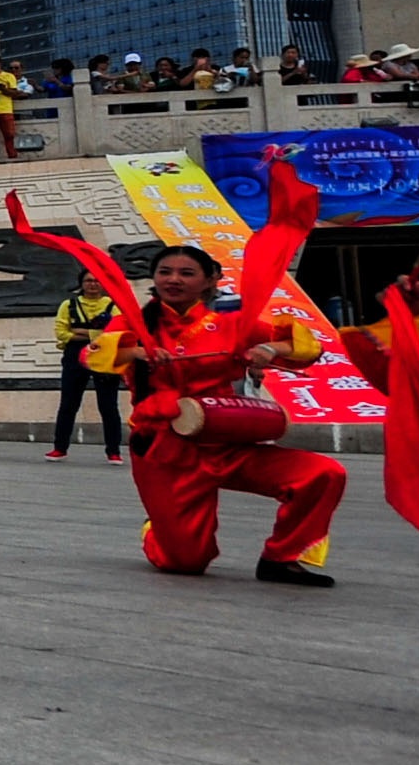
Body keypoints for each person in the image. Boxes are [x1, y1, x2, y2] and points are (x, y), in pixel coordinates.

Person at [109, 244, 345, 584]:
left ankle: (281, 558)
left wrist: (269, 349)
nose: (174, 279)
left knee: (322, 474)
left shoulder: (232, 325)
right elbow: (92, 355)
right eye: (165, 272)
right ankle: (159, 527)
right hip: (167, 450)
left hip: (226, 438)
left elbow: (308, 349)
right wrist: (136, 352)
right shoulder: (132, 325)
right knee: (186, 562)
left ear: (210, 280)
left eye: (186, 273)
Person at [50, 269, 126, 463]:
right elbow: (61, 333)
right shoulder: (68, 305)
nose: (92, 284)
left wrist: (82, 332)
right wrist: (97, 333)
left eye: (97, 281)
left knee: (108, 405)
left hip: (104, 357)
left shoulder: (112, 305)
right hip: (75, 357)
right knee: (68, 403)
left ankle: (114, 451)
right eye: (88, 281)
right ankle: (59, 448)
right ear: (81, 283)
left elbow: (116, 332)